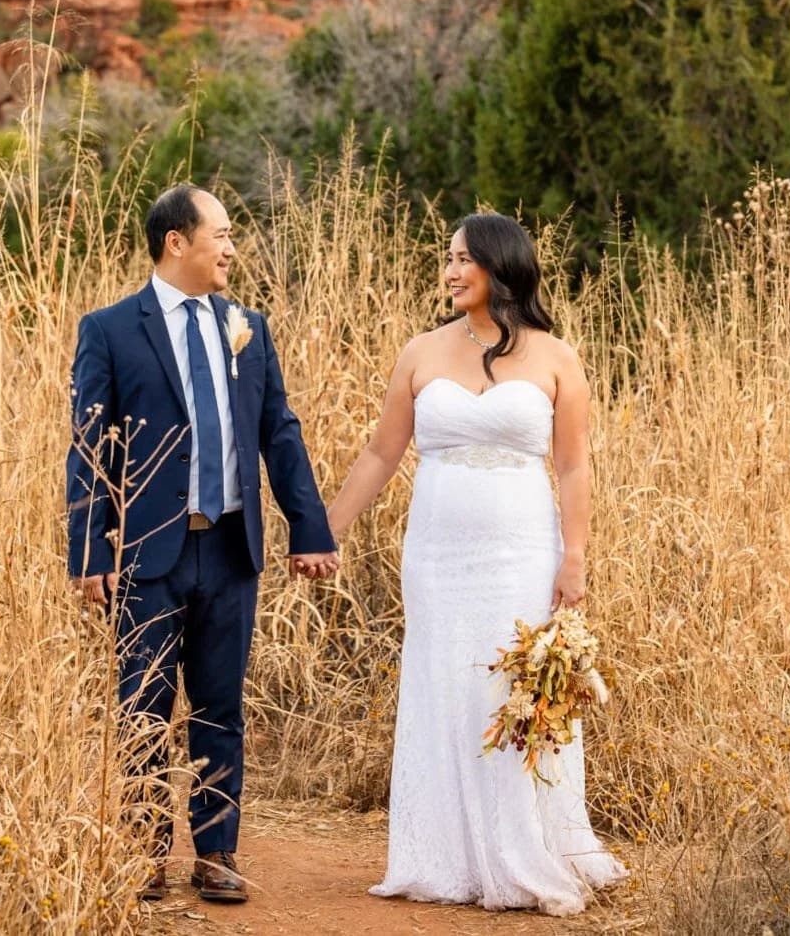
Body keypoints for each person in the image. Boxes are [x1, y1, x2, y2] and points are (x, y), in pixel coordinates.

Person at [326, 212, 627, 916]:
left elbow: (574, 466)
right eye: (449, 258)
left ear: (500, 265)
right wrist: (325, 529)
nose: (451, 271)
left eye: (464, 259)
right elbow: (381, 453)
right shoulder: (421, 352)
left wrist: (574, 556)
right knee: (444, 684)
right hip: (437, 554)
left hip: (523, 550)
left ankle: (527, 846)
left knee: (510, 687)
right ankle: (444, 855)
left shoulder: (556, 357)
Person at [66, 184, 340, 905]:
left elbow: (279, 432)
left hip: (229, 548)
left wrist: (309, 528)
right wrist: (90, 551)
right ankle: (143, 851)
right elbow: (88, 446)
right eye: (220, 234)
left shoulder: (248, 327)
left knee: (221, 705)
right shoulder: (110, 330)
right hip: (147, 552)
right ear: (176, 242)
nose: (231, 249)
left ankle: (217, 850)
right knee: (143, 705)